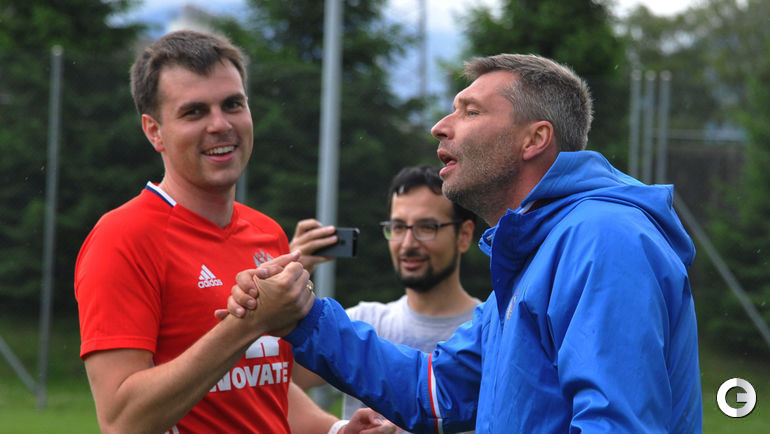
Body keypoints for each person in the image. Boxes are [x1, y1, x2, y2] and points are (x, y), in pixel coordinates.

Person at [226, 53, 703, 433]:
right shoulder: (538, 253)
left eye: (470, 111)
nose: (440, 125)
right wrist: (303, 315)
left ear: (534, 139)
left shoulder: (604, 240)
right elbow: (436, 392)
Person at [73, 29, 392, 434]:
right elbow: (123, 421)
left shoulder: (266, 233)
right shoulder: (121, 238)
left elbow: (263, 383)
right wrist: (246, 325)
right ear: (154, 131)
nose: (220, 125)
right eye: (194, 112)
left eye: (232, 104)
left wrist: (337, 430)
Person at [290, 166, 480, 432]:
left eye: (427, 227)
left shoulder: (489, 331)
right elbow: (271, 379)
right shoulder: (359, 322)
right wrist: (292, 279)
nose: (408, 243)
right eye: (398, 227)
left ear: (465, 235)